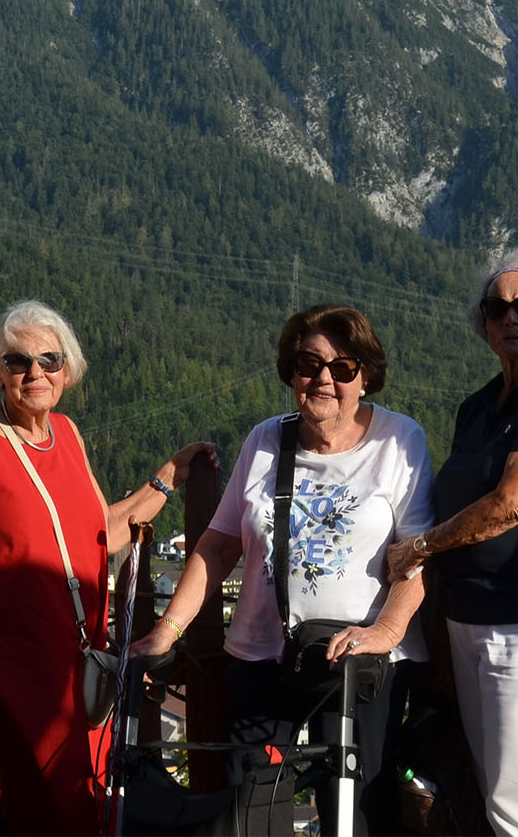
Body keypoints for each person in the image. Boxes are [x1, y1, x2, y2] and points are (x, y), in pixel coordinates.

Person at [0, 300, 213, 835]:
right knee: (34, 813)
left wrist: (168, 477)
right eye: (18, 361)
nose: (35, 373)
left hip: (74, 679)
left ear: (68, 372)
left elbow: (102, 532)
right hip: (5, 678)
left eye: (49, 361)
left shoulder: (68, 436)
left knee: (83, 809)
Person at [137, 304, 433, 836]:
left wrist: (384, 633)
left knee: (356, 816)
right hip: (262, 654)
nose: (324, 378)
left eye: (343, 367)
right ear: (291, 373)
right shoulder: (265, 440)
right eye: (308, 364)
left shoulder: (398, 441)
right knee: (250, 814)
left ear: (365, 377)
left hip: (357, 664)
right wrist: (167, 630)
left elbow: (419, 553)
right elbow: (218, 546)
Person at [387, 245, 518, 837]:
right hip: (469, 620)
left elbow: (515, 503)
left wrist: (421, 548)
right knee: (489, 794)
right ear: (482, 322)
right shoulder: (476, 408)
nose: (511, 318)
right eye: (496, 307)